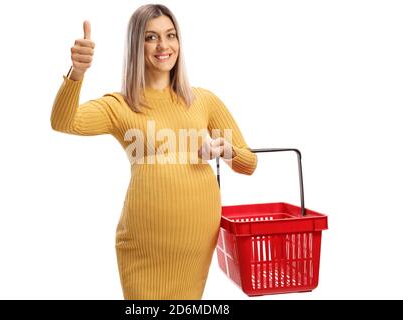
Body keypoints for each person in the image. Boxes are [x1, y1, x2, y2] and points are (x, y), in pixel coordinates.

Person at [50, 4, 257, 300]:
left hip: (196, 241)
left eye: (170, 35)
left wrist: (228, 150)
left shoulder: (204, 101)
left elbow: (249, 164)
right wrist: (77, 73)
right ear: (136, 44)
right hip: (143, 245)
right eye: (151, 37)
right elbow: (63, 122)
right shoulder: (120, 105)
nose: (164, 46)